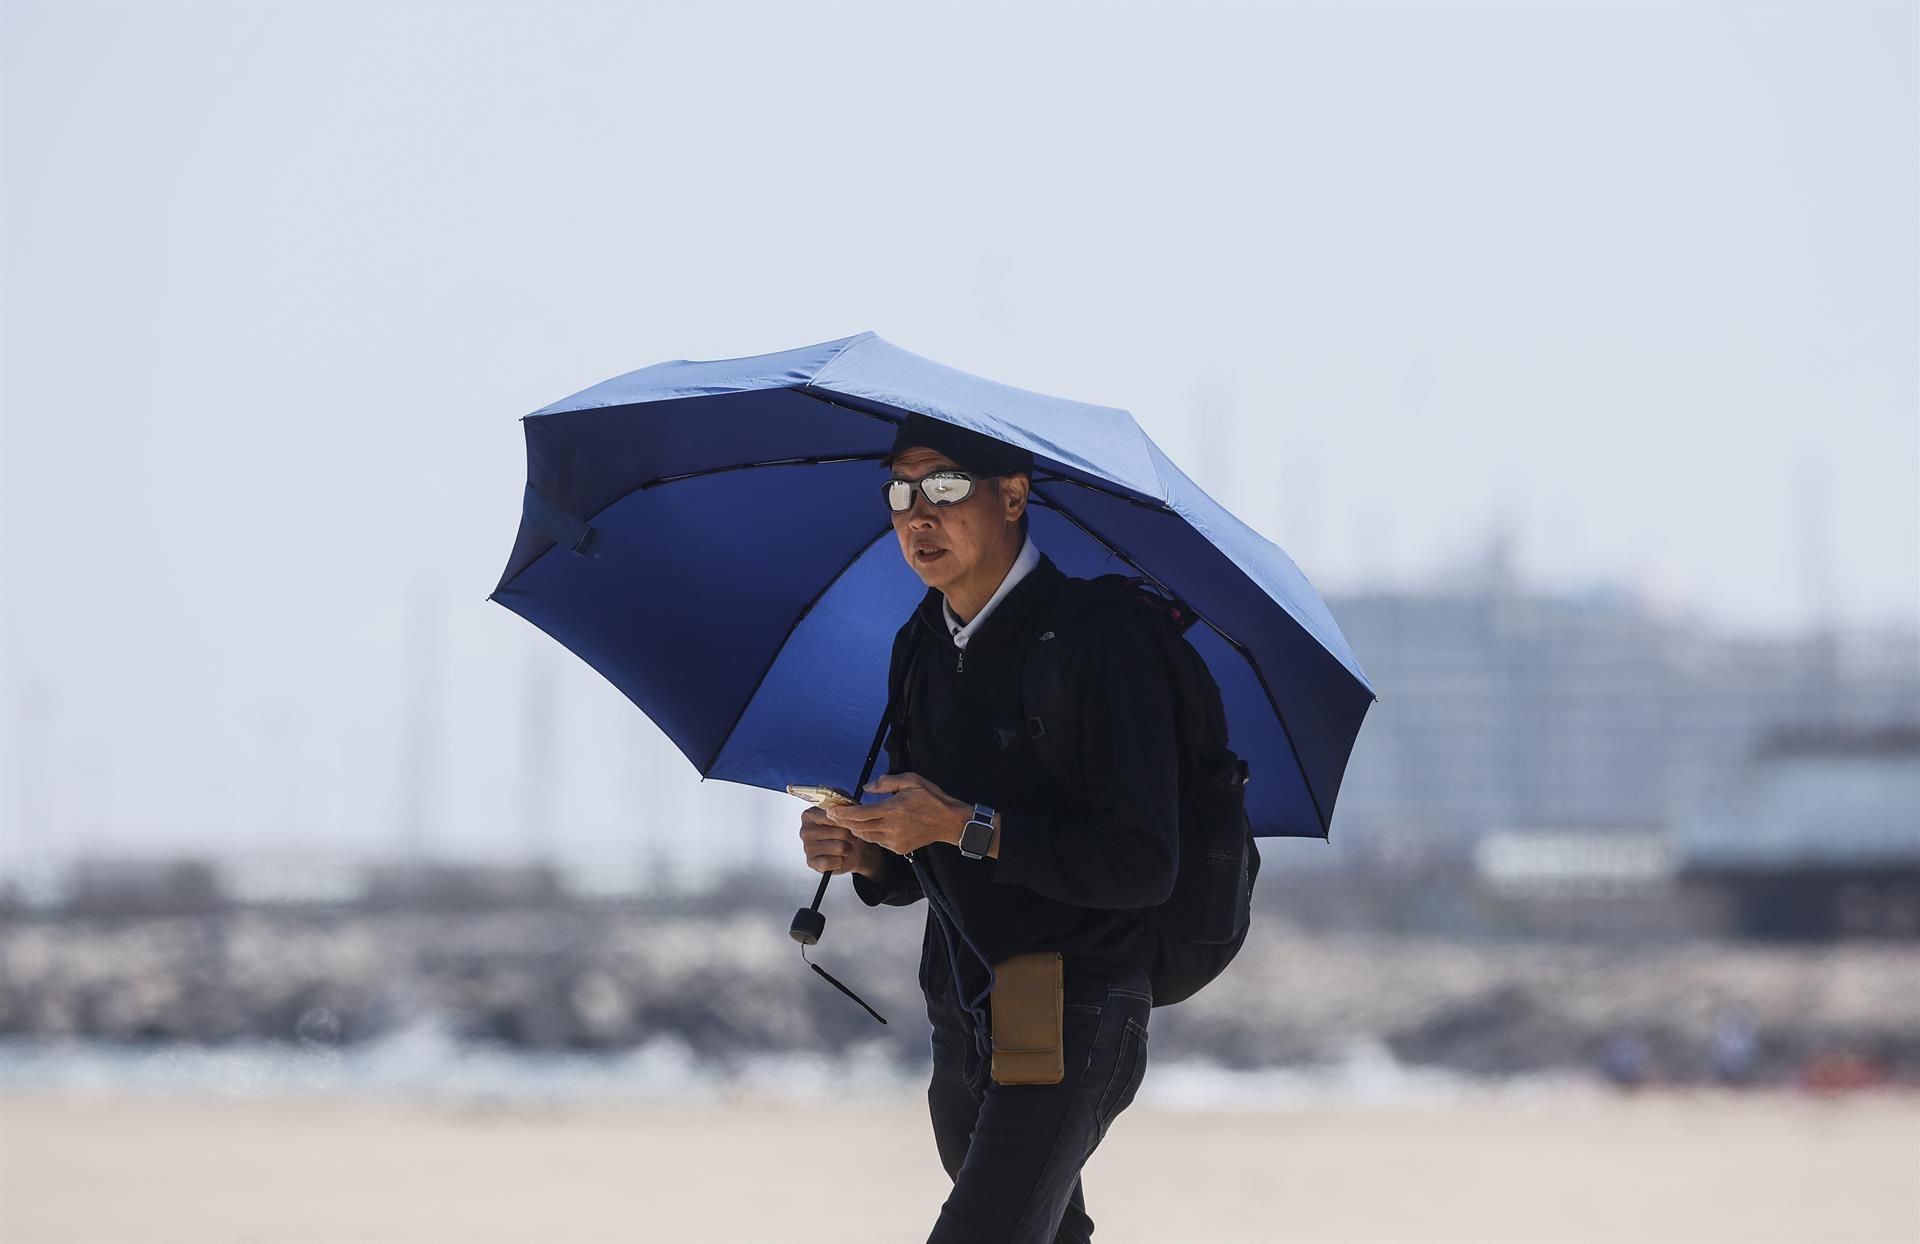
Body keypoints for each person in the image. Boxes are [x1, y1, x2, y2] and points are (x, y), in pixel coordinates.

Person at [796, 412, 1182, 1244]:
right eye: (899, 492)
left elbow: (1144, 864)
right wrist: (868, 849)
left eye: (941, 485)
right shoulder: (919, 644)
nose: (916, 514)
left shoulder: (1101, 641)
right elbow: (919, 858)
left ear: (1013, 494)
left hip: (1077, 1000)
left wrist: (967, 824)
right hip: (963, 1004)